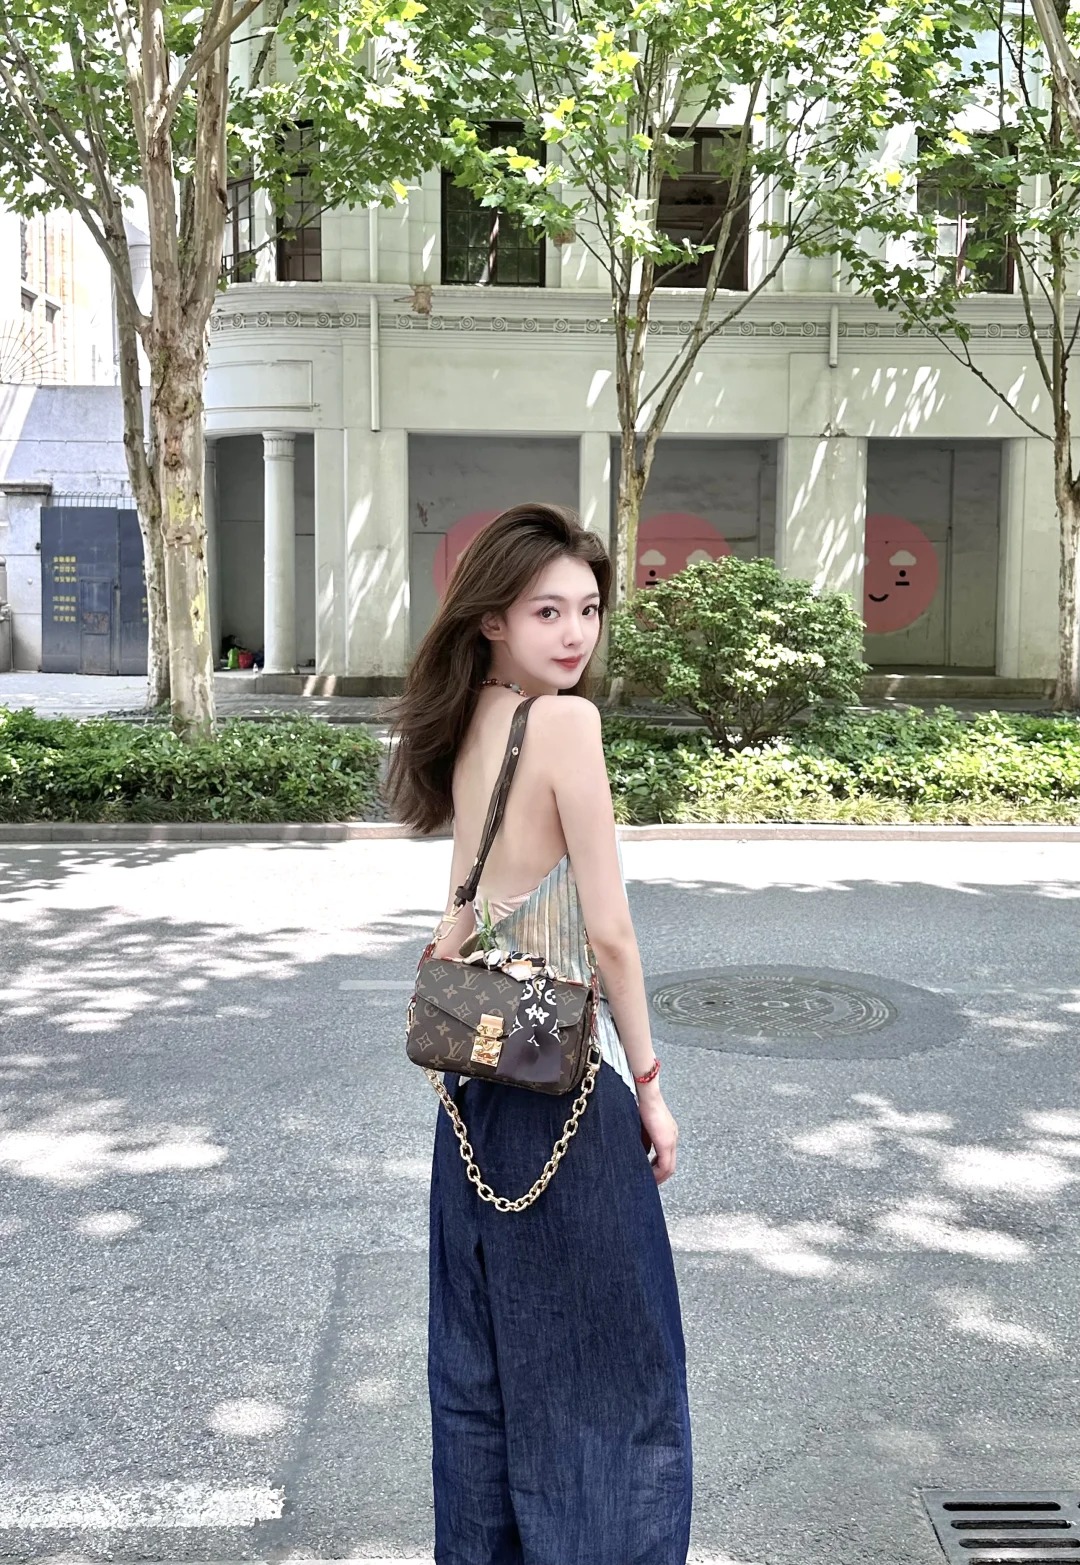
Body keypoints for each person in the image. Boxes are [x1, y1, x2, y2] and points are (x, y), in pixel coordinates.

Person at [386, 502, 693, 1565]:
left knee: (486, 1376)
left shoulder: (478, 717)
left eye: (590, 609)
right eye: (546, 610)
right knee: (614, 1375)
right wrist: (648, 1084)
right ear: (492, 620)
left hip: (480, 1091)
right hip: (564, 1092)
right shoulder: (564, 723)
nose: (575, 633)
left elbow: (459, 911)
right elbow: (609, 932)